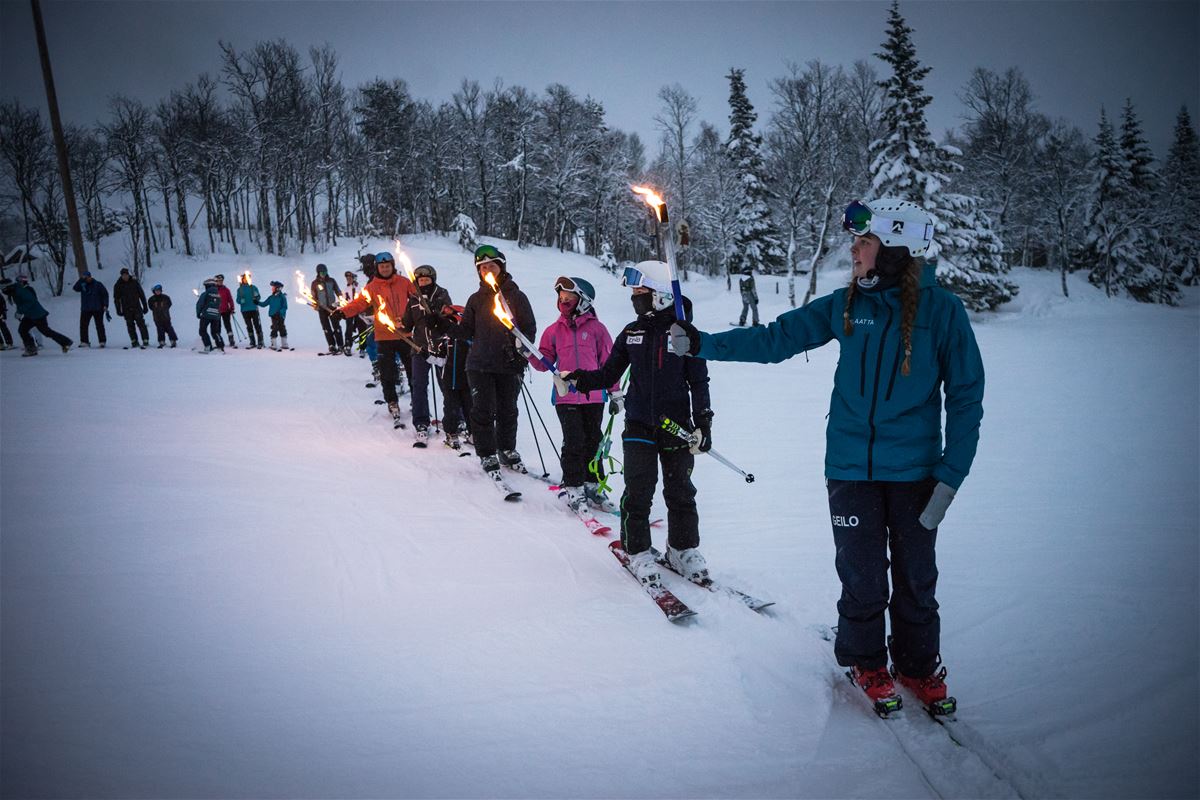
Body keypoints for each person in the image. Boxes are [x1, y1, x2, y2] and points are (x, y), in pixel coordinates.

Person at [671, 198, 983, 714]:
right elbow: (776, 339)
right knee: (861, 575)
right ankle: (866, 660)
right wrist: (702, 343)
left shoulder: (943, 312)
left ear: (894, 249)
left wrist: (950, 476)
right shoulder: (846, 305)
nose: (855, 251)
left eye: (864, 242)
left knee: (916, 577)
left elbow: (967, 396)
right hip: (850, 469)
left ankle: (918, 666)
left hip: (917, 474)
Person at [561, 260, 711, 589]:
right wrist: (577, 379)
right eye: (634, 293)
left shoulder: (684, 333)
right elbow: (607, 374)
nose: (635, 298)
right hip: (640, 425)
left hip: (677, 426)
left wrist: (704, 424)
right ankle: (637, 550)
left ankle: (682, 549)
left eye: (641, 292)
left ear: (660, 296)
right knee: (638, 491)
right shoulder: (632, 333)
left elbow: (699, 382)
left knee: (681, 491)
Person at [441, 244, 536, 478]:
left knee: (508, 410)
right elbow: (467, 331)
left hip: (508, 364)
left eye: (491, 266)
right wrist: (446, 326)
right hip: (479, 364)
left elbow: (529, 328)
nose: (487, 271)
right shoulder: (475, 299)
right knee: (483, 411)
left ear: (501, 267)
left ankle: (506, 449)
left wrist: (520, 354)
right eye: (482, 268)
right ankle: (487, 453)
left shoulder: (516, 296)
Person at [527, 276, 619, 512]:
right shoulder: (553, 331)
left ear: (583, 301)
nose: (563, 301)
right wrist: (527, 352)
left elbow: (609, 364)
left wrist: (615, 393)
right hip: (565, 395)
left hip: (594, 396)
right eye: (561, 298)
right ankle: (574, 486)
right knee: (574, 441)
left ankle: (593, 485)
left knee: (594, 441)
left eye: (569, 298)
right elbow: (543, 362)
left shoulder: (598, 330)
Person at [333, 252, 417, 425]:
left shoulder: (404, 282)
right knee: (387, 372)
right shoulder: (372, 287)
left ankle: (417, 400)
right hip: (384, 336)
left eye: (388, 266)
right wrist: (343, 312)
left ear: (392, 266)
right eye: (382, 267)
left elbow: (418, 298)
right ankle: (392, 402)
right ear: (377, 268)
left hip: (406, 334)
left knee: (413, 371)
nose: (385, 269)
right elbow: (359, 303)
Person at [401, 264, 452, 444]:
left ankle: (454, 420)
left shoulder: (441, 294)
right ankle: (421, 421)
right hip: (419, 348)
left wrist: (436, 316)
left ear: (433, 279)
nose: (423, 283)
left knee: (447, 385)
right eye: (420, 280)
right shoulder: (413, 299)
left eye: (426, 280)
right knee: (419, 385)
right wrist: (400, 326)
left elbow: (449, 316)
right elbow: (407, 324)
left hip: (440, 348)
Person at [2, 274, 73, 356]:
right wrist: (19, 312)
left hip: (37, 315)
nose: (2, 291)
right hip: (30, 315)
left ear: (7, 287)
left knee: (45, 331)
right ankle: (31, 348)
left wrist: (19, 312)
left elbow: (30, 301)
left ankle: (65, 342)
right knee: (23, 330)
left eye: (2, 289)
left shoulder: (20, 290)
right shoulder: (15, 290)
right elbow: (21, 304)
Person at [310, 263, 344, 354]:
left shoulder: (331, 281)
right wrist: (315, 305)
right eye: (322, 272)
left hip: (332, 307)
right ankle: (331, 345)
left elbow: (338, 291)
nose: (324, 274)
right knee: (326, 328)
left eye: (325, 272)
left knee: (336, 326)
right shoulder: (315, 283)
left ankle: (341, 345)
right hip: (322, 309)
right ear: (318, 273)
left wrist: (340, 299)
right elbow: (313, 296)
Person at [113, 267, 149, 349]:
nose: (125, 277)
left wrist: (145, 306)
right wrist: (118, 309)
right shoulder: (118, 285)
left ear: (128, 274)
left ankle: (145, 340)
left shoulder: (134, 282)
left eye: (126, 275)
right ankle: (134, 341)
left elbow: (141, 294)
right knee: (130, 325)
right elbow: (116, 299)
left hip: (137, 307)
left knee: (141, 324)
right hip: (126, 309)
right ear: (121, 276)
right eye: (123, 275)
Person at [72, 270, 109, 347]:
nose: (86, 279)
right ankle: (84, 341)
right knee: (83, 325)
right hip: (86, 308)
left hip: (97, 308)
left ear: (90, 277)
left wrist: (105, 305)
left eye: (87, 277)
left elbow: (105, 294)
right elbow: (75, 288)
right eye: (85, 278)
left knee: (99, 325)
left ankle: (102, 341)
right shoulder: (82, 285)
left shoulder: (98, 284)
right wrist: (81, 280)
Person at [235, 272, 264, 349]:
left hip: (254, 309)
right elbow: (237, 300)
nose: (246, 280)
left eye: (247, 278)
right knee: (249, 326)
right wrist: (241, 300)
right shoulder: (239, 289)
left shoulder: (253, 287)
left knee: (257, 325)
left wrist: (256, 297)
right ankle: (252, 341)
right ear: (242, 279)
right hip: (245, 310)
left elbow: (258, 297)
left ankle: (260, 341)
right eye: (244, 279)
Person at [195, 278, 225, 353]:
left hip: (206, 315)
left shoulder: (205, 294)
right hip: (216, 316)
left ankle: (208, 346)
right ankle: (220, 346)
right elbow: (219, 304)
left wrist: (198, 313)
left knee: (202, 330)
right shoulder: (218, 294)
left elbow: (199, 304)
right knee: (215, 332)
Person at [258, 281, 289, 350]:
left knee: (282, 327)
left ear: (277, 288)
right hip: (273, 316)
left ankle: (284, 344)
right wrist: (257, 302)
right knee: (274, 328)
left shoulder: (282, 297)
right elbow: (264, 304)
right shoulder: (271, 297)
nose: (272, 288)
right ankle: (274, 344)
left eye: (273, 287)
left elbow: (285, 307)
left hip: (280, 316)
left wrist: (280, 312)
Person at [342, 270, 366, 356]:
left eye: (350, 278)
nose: (348, 279)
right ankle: (348, 346)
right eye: (347, 278)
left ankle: (362, 348)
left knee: (362, 329)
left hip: (359, 311)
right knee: (349, 329)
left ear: (353, 278)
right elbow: (343, 300)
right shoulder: (345, 289)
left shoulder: (359, 287)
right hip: (350, 311)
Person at [213, 274, 239, 348]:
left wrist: (232, 308)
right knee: (218, 327)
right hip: (217, 311)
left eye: (221, 281)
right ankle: (218, 341)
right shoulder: (214, 290)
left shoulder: (226, 289)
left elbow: (230, 299)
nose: (220, 282)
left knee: (228, 325)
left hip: (226, 310)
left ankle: (231, 340)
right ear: (216, 281)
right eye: (218, 281)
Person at [0, 280, 15, 350]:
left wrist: (3, 313)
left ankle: (9, 343)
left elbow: (3, 304)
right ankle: (1, 344)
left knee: (4, 328)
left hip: (0, 314)